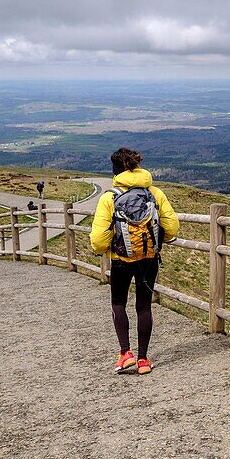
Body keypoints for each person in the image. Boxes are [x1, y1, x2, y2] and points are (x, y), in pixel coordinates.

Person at [90, 148, 179, 375]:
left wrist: (106, 248)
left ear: (115, 171)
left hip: (121, 259)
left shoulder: (109, 197)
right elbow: (172, 227)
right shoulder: (155, 193)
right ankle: (143, 360)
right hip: (149, 258)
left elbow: (99, 240)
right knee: (144, 306)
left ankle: (125, 353)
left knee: (118, 303)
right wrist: (157, 241)